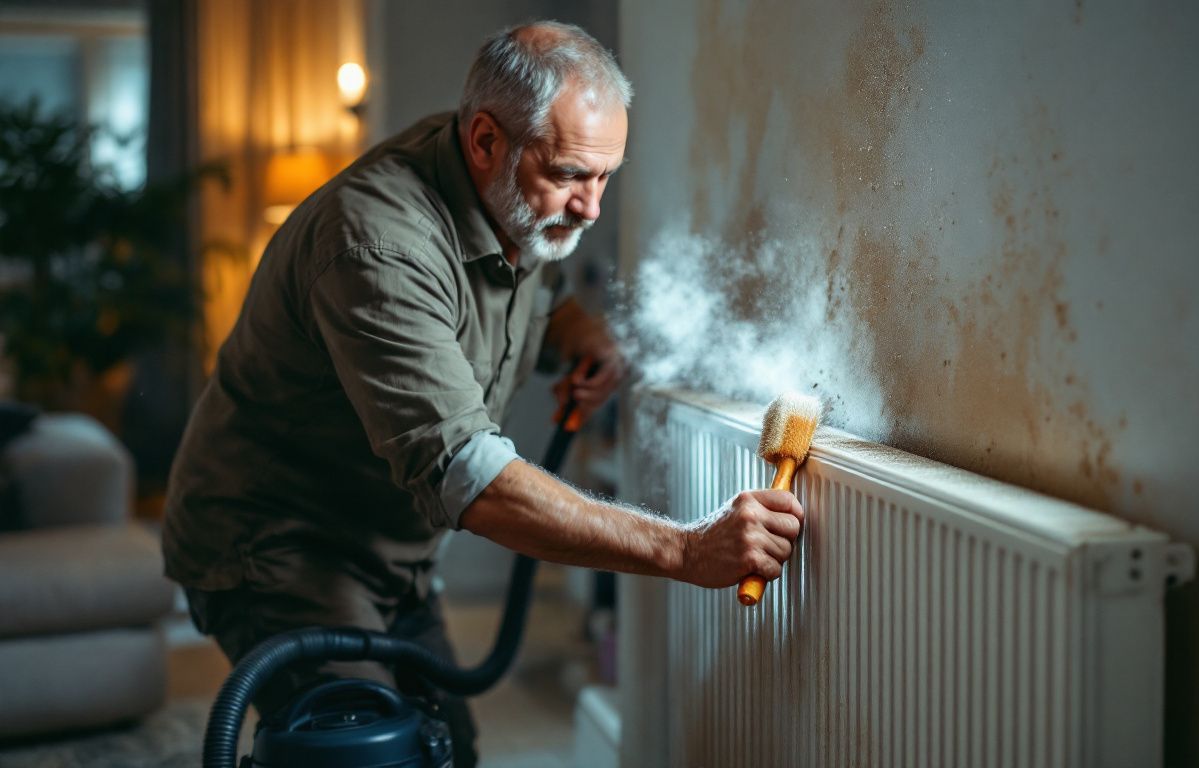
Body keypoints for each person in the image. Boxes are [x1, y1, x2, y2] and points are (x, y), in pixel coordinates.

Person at [162, 20, 804, 767]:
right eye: (569, 174)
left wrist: (575, 333)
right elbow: (472, 480)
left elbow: (531, 287)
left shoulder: (506, 192)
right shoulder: (375, 246)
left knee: (449, 750)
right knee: (368, 753)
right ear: (485, 141)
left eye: (605, 176)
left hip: (391, 549)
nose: (590, 207)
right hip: (275, 544)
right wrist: (684, 549)